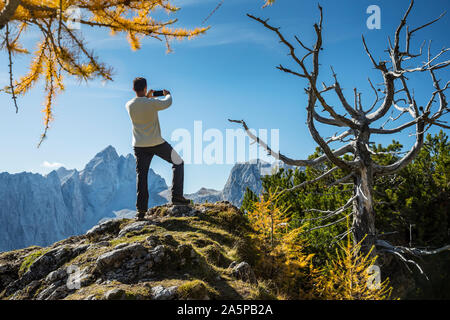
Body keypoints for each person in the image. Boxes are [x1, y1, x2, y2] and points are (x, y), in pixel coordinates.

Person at [125, 77, 190, 220]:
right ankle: (177, 197)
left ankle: (141, 211)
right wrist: (168, 94)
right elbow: (168, 102)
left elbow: (141, 104)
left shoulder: (129, 105)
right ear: (146, 88)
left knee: (142, 176)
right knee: (178, 162)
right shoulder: (153, 103)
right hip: (156, 142)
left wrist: (146, 98)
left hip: (139, 146)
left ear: (133, 89)